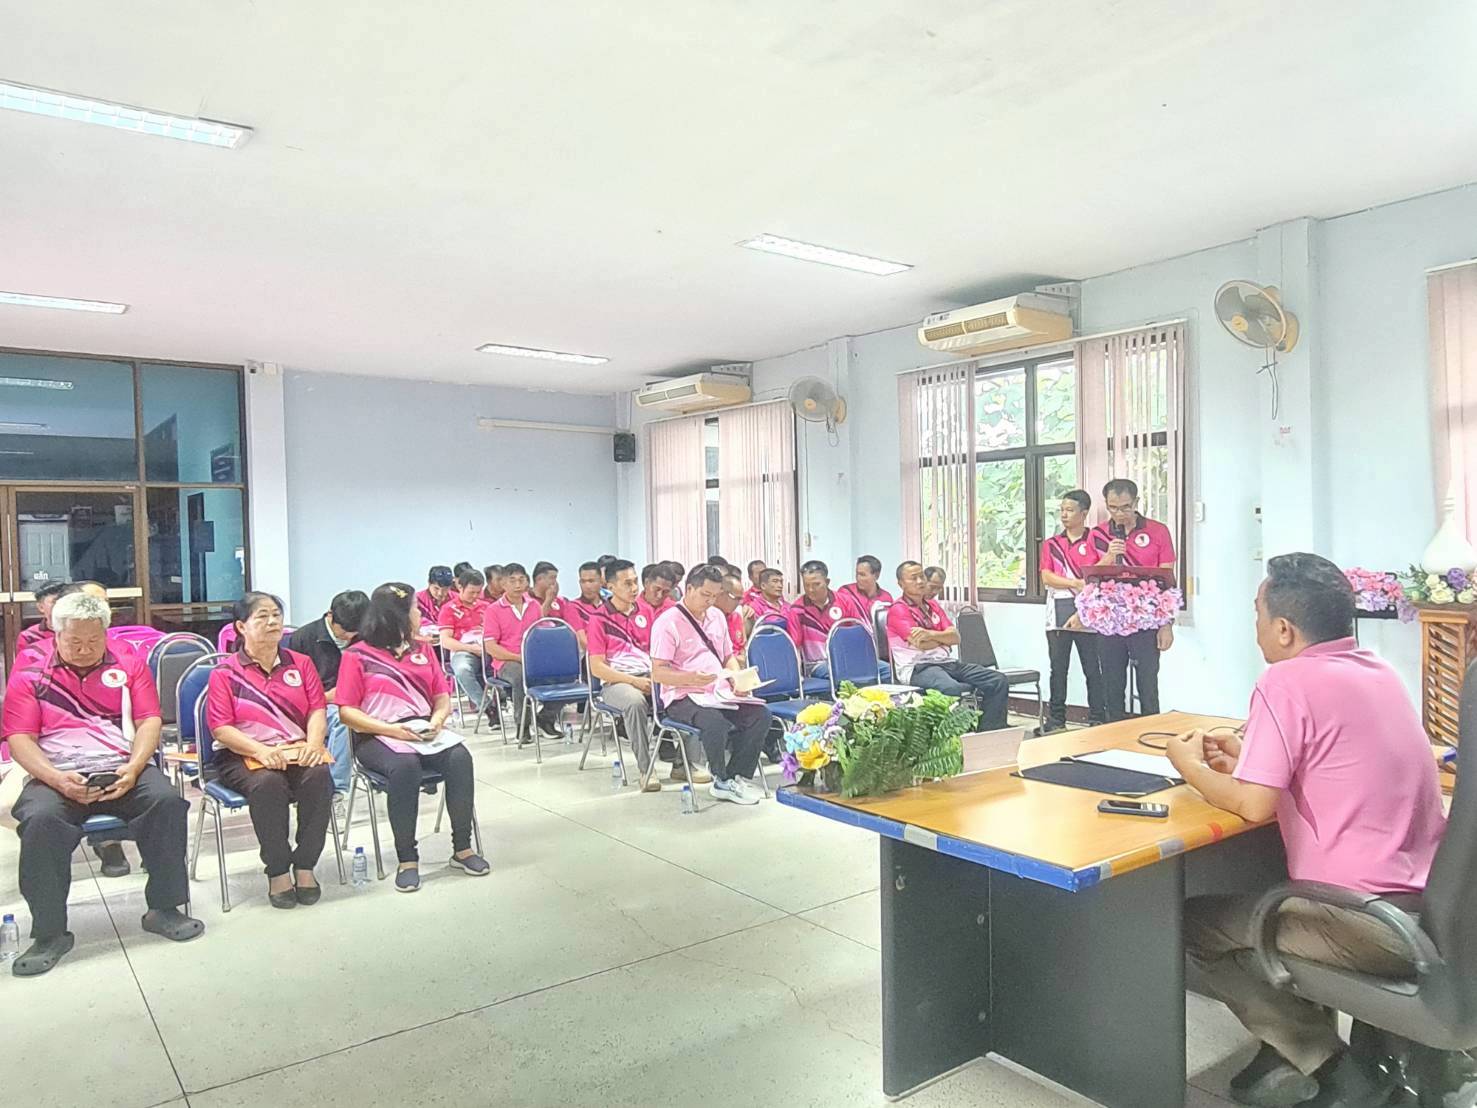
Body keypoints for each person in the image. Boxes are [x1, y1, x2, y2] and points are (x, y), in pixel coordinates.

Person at [1165, 553, 1446, 1108]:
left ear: (1284, 630)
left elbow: (1252, 805)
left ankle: (1332, 1065)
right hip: (1427, 906)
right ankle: (1288, 1049)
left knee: (1195, 923)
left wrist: (1187, 764)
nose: (1255, 627)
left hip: (1361, 918)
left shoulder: (1286, 680)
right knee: (1262, 893)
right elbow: (1336, 765)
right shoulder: (1378, 672)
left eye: (1257, 614)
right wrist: (1251, 757)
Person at [2, 592, 202, 975]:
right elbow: (19, 738)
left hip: (122, 766)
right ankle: (49, 933)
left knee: (166, 802)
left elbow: (149, 720)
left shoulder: (128, 661)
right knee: (40, 821)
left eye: (94, 640)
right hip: (57, 772)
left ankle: (164, 908)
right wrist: (56, 779)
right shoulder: (31, 668)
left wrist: (135, 767)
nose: (84, 649)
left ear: (105, 633)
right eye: (74, 641)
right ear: (56, 633)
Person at [336, 583, 488, 892]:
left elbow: (441, 695)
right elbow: (347, 713)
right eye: (415, 610)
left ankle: (462, 848)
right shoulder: (357, 655)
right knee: (405, 767)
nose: (420, 615)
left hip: (422, 729)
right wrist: (391, 730)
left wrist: (437, 720)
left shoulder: (422, 649)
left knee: (460, 758)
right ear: (396, 616)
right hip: (377, 734)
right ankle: (407, 859)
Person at [206, 592, 334, 909]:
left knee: (319, 775)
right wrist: (261, 752)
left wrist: (314, 744)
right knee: (268, 784)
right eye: (262, 616)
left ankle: (305, 865)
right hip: (243, 754)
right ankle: (277, 870)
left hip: (296, 748)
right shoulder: (225, 673)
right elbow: (221, 729)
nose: (273, 621)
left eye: (276, 614)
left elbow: (317, 709)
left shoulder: (301, 664)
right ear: (241, 626)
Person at [650, 566, 773, 806]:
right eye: (705, 595)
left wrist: (737, 678)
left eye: (715, 596)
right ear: (689, 589)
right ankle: (721, 779)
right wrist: (689, 678)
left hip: (718, 691)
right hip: (683, 696)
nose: (710, 601)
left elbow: (728, 656)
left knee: (760, 715)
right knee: (715, 723)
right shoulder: (667, 623)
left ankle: (736, 775)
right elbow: (658, 672)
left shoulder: (716, 616)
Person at [587, 559, 705, 792]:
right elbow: (597, 668)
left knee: (687, 692)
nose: (634, 588)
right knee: (635, 702)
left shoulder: (648, 613)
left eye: (635, 582)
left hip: (651, 676)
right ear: (610, 587)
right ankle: (646, 769)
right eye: (627, 583)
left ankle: (684, 764)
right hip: (617, 682)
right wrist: (634, 681)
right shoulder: (599, 619)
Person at [1090, 478, 1177, 720]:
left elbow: (1167, 580)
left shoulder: (1158, 531)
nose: (1119, 514)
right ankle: (1114, 734)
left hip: (1146, 619)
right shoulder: (1098, 534)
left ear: (1136, 502)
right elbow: (1088, 577)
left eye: (1125, 507)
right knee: (1111, 684)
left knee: (1147, 683)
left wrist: (1166, 624)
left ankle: (1151, 733)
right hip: (1110, 619)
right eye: (1113, 508)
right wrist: (1109, 557)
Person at [887, 562, 1009, 729]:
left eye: (921, 576)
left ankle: (990, 731)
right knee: (952, 689)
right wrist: (942, 638)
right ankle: (955, 735)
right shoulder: (898, 609)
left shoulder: (932, 605)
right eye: (913, 578)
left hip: (946, 662)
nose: (920, 581)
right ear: (901, 583)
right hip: (919, 667)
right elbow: (922, 644)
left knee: (997, 680)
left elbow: (956, 637)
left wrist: (930, 634)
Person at [288, 589, 370, 800]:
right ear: (330, 615)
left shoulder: (366, 637)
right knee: (343, 720)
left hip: (360, 700)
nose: (349, 637)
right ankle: (335, 790)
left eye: (355, 632)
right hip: (321, 705)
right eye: (345, 631)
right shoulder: (304, 638)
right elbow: (293, 692)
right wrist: (326, 697)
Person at [1038, 490, 1106, 733]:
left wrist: (1084, 587)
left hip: (1090, 612)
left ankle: (1098, 717)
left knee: (1093, 668)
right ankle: (1056, 719)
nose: (1064, 515)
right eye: (1062, 510)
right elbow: (1047, 577)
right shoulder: (1052, 544)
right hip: (1058, 612)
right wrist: (1074, 583)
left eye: (1070, 510)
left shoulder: (1096, 540)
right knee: (1058, 669)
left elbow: (1102, 575)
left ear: (1084, 513)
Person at [482, 563, 561, 742]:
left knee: (564, 675)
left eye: (521, 580)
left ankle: (545, 718)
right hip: (506, 661)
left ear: (527, 582)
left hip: (533, 658)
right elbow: (491, 647)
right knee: (520, 676)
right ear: (503, 584)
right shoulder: (493, 610)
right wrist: (519, 657)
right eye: (512, 581)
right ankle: (523, 726)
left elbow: (541, 633)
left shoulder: (534, 606)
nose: (518, 585)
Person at [786, 560, 892, 680]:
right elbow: (795, 647)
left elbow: (860, 632)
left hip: (849, 658)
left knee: (888, 671)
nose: (811, 590)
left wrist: (862, 657)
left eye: (816, 584)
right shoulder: (797, 610)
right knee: (846, 674)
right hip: (819, 664)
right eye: (807, 585)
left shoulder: (845, 601)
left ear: (827, 582)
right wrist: (797, 676)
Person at [438, 568, 493, 723]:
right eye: (471, 592)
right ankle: (488, 707)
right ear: (460, 587)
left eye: (478, 592)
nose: (475, 596)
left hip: (489, 648)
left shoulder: (487, 607)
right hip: (463, 650)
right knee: (462, 670)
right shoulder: (449, 609)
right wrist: (470, 649)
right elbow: (445, 640)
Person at [15, 580, 73, 655]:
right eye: (55, 601)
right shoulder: (29, 636)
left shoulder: (79, 631)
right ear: (41, 607)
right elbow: (24, 661)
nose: (61, 605)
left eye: (65, 601)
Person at [567, 561, 606, 651]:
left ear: (601, 582)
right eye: (583, 581)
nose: (587, 586)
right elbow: (583, 641)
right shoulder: (573, 607)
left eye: (591, 581)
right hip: (590, 655)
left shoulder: (609, 606)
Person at [743, 567, 789, 638]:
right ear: (763, 586)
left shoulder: (788, 606)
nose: (780, 585)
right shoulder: (754, 608)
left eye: (781, 582)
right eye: (775, 581)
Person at [714, 567, 748, 662]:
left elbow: (742, 647)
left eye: (741, 599)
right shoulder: (708, 618)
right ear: (720, 593)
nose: (738, 603)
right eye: (736, 598)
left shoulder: (736, 617)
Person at [637, 563, 676, 628]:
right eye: (657, 589)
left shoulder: (673, 609)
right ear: (646, 583)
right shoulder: (631, 609)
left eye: (665, 592)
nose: (659, 595)